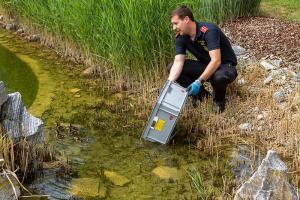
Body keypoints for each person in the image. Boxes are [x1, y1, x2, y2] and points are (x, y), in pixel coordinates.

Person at [167, 5, 238, 112]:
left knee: (219, 77)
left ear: (186, 19)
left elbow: (216, 61)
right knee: (172, 67)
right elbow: (178, 62)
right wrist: (168, 84)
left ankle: (219, 102)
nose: (174, 28)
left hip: (224, 66)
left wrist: (198, 81)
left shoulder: (209, 31)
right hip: (206, 65)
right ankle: (202, 96)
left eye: (176, 23)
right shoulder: (181, 36)